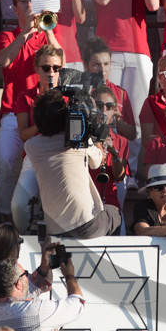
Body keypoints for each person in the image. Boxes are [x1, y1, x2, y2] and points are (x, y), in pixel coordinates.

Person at [25, 92, 122, 238]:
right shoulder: (79, 142)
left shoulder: (31, 146)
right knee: (115, 214)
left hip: (53, 228)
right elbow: (97, 162)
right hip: (87, 226)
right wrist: (92, 133)